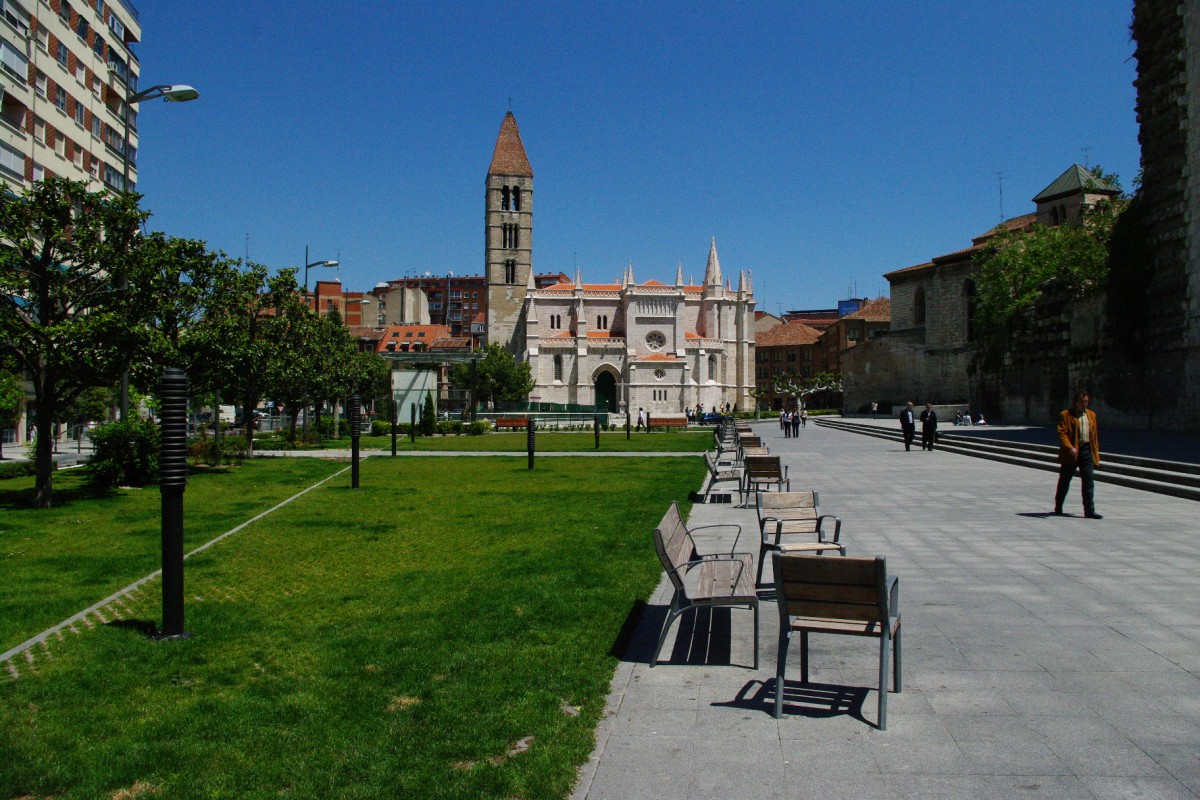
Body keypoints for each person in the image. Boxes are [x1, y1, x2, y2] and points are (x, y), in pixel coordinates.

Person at [1054, 390, 1102, 519]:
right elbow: (1062, 433)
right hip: (1071, 452)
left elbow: (1094, 436)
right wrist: (1069, 447)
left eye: (1086, 402)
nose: (1084, 404)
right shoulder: (1065, 415)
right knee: (1065, 480)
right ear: (1075, 402)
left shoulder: (1091, 415)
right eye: (1082, 402)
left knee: (1088, 481)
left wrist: (1095, 453)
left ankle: (1089, 510)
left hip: (1086, 451)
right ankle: (1058, 505)